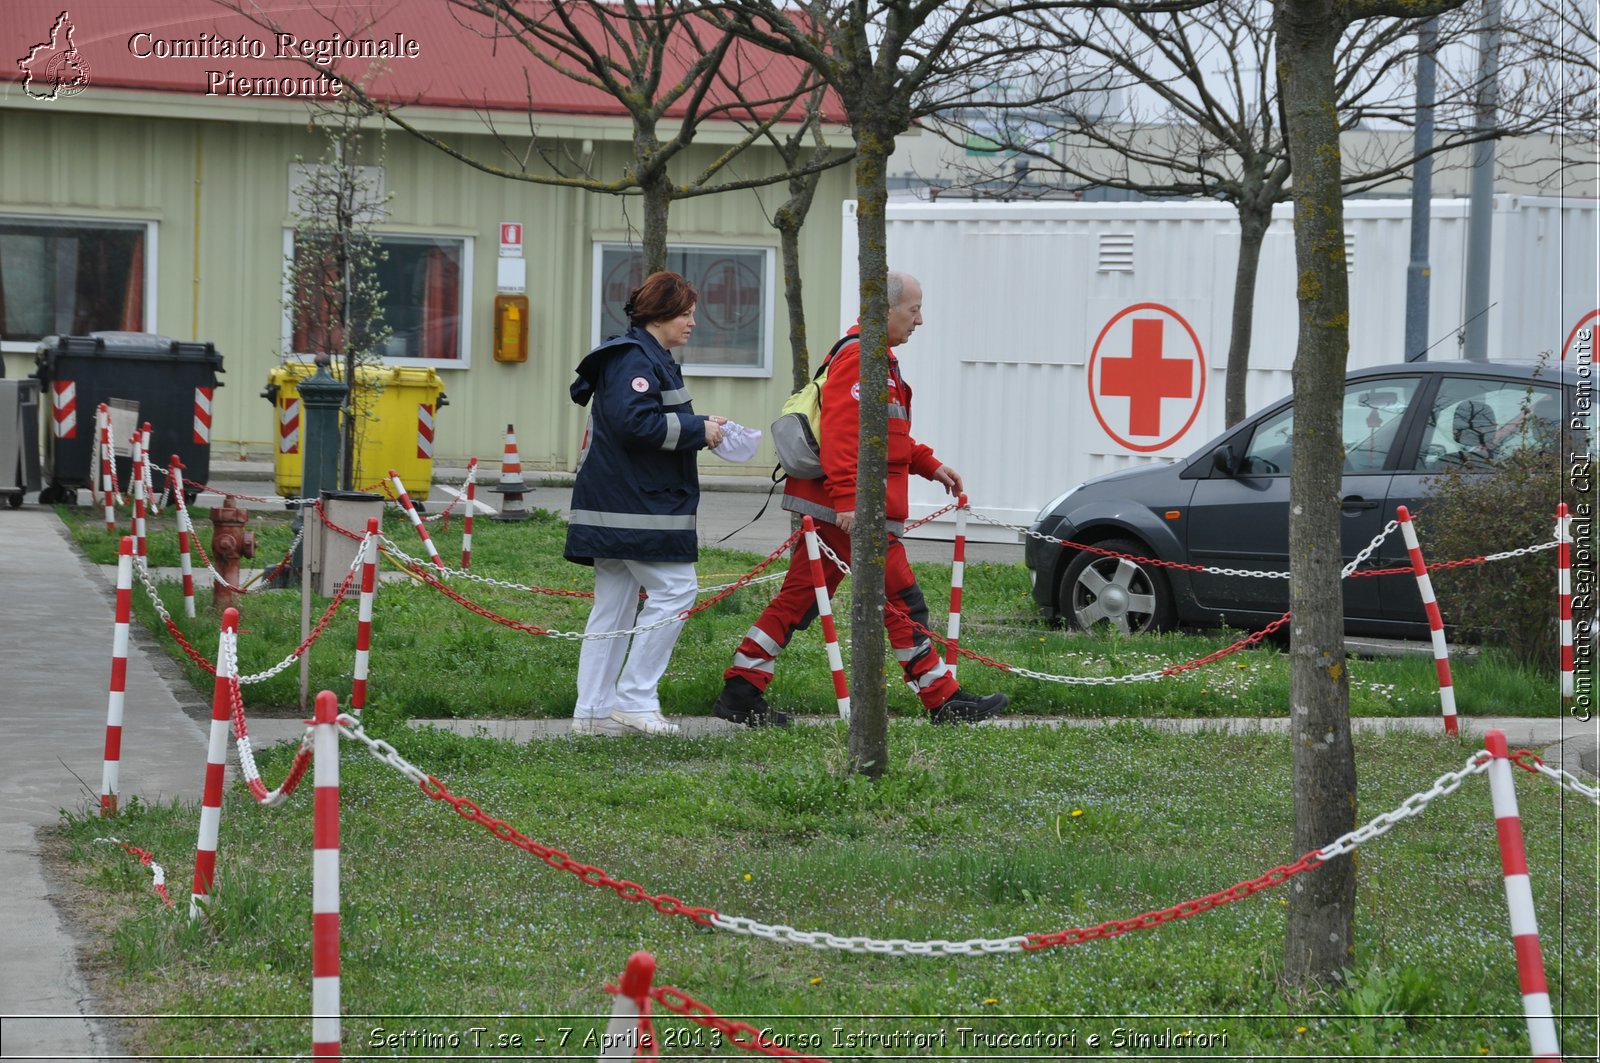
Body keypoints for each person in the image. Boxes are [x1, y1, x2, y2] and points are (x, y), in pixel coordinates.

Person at [712, 271, 1009, 727]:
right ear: (885, 310)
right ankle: (943, 699)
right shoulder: (862, 359)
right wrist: (850, 503)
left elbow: (887, 436)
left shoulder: (876, 359)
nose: (920, 320)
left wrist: (929, 465)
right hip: (850, 512)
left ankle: (740, 690)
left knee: (798, 600)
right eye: (914, 310)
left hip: (841, 508)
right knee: (902, 600)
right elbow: (844, 438)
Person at [565, 271, 726, 736]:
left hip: (620, 504)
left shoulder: (642, 356)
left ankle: (592, 713)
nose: (693, 323)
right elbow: (636, 424)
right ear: (660, 314)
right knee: (676, 591)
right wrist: (699, 431)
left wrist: (703, 423)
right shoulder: (636, 360)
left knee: (613, 608)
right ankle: (634, 699)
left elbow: (646, 419)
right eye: (687, 314)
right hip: (633, 507)